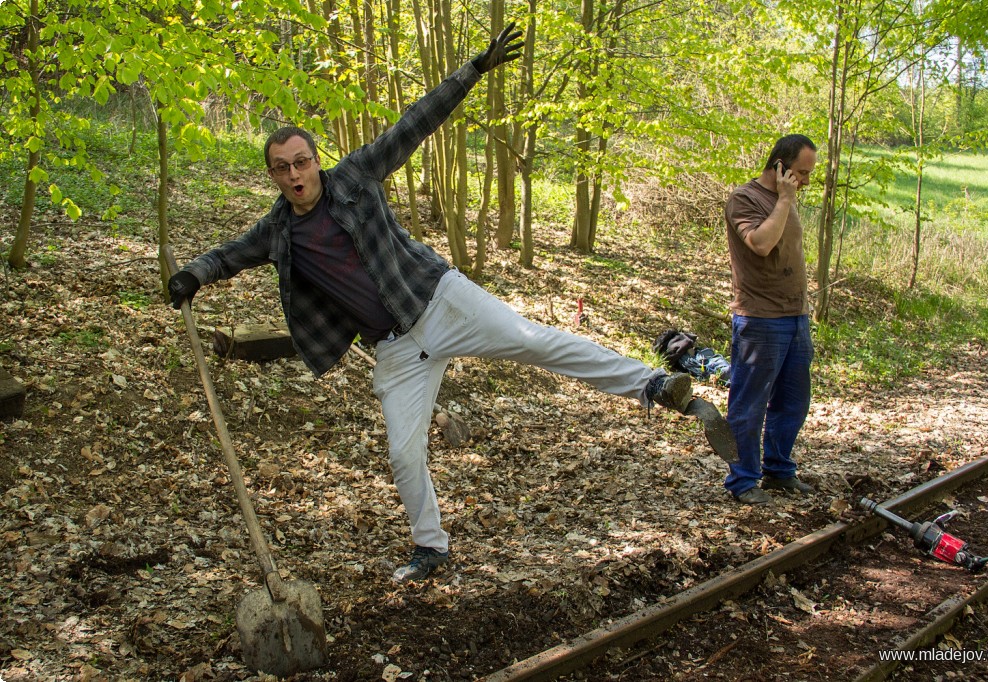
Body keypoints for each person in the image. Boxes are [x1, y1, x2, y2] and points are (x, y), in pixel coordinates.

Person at [168, 22, 737, 583]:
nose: (295, 174)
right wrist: (191, 277)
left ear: (317, 160)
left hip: (440, 300)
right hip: (394, 351)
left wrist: (473, 70)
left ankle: (653, 385)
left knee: (534, 341)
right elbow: (224, 257)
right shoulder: (276, 233)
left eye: (302, 161)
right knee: (402, 453)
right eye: (282, 167)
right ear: (272, 175)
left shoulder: (356, 177)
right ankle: (430, 547)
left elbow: (416, 122)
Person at [723, 134, 817, 505]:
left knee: (793, 402)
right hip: (760, 319)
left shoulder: (786, 199)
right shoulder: (744, 199)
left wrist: (786, 199)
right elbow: (761, 244)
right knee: (749, 404)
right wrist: (785, 199)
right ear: (779, 166)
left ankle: (779, 470)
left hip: (796, 317)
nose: (806, 181)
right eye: (801, 172)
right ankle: (743, 480)